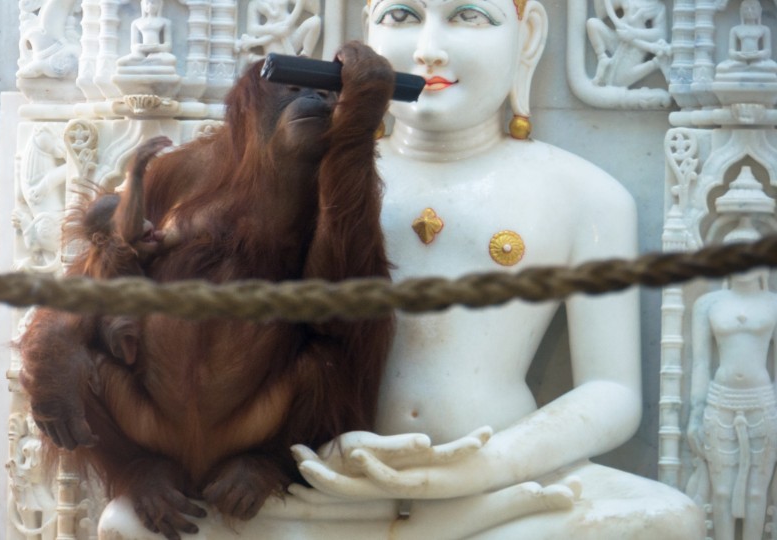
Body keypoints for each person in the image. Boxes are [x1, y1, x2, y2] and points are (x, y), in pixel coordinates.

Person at [99, 0, 704, 537]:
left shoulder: (584, 194)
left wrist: (481, 466)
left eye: (469, 16)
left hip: (497, 486)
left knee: (669, 519)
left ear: (529, 37)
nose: (429, 48)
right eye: (401, 16)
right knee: (127, 525)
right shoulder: (300, 170)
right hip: (318, 481)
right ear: (365, 37)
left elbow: (612, 393)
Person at [687, 219, 777, 540]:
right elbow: (700, 363)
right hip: (719, 402)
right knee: (722, 491)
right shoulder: (708, 305)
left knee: (756, 492)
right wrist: (695, 414)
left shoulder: (774, 304)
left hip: (763, 404)